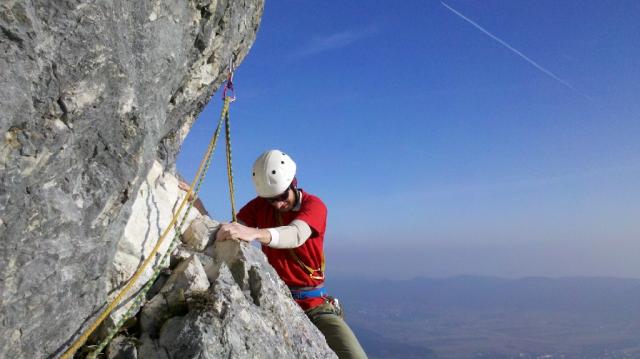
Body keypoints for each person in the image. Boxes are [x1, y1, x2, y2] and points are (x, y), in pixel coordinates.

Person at [216, 149, 367, 359]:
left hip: (314, 306)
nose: (278, 204)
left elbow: (296, 234)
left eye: (281, 196)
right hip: (276, 299)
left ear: (293, 183)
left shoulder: (314, 206)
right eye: (271, 200)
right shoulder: (259, 206)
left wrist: (256, 233)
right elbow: (230, 230)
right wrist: (196, 204)